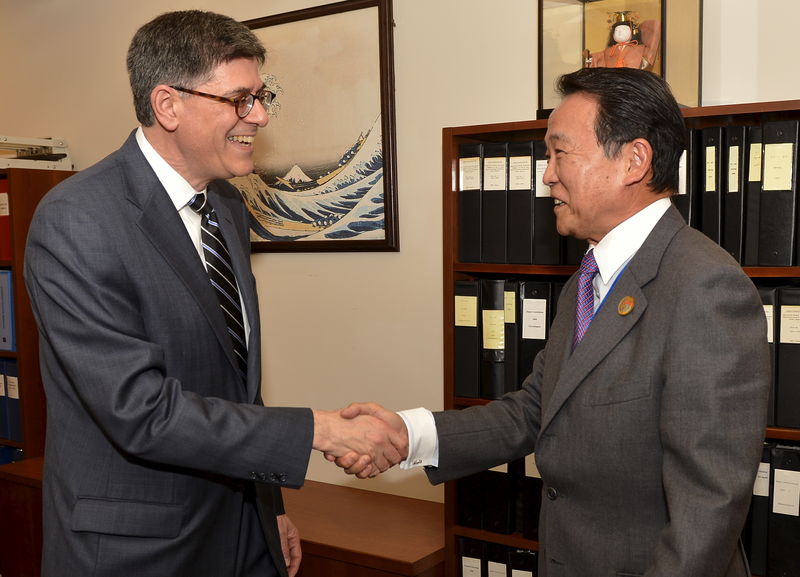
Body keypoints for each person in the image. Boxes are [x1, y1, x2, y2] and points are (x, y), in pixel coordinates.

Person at [334, 68, 771, 577]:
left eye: (560, 153)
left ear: (634, 160)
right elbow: (538, 409)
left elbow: (710, 503)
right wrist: (410, 434)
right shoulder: (588, 277)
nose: (547, 175)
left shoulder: (704, 286)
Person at [23, 10, 404, 577]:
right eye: (241, 99)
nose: (261, 115)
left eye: (261, 95)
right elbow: (140, 411)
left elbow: (236, 387)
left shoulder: (226, 206)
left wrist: (266, 507)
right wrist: (320, 430)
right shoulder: (77, 218)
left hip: (239, 530)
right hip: (139, 551)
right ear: (168, 104)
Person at [587, 13, 660, 71]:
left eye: (624, 30)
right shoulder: (608, 51)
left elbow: (647, 59)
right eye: (617, 30)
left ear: (632, 32)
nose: (620, 33)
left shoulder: (640, 49)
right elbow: (597, 58)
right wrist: (589, 57)